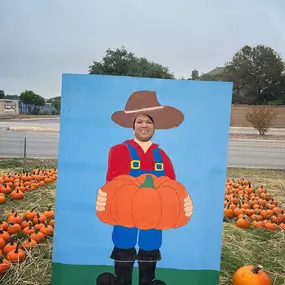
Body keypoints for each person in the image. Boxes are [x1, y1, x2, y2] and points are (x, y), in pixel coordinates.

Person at [96, 90, 193, 285]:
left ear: (155, 126)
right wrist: (103, 197)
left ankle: (147, 281)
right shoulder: (119, 151)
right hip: (125, 210)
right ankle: (121, 280)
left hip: (154, 213)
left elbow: (172, 187)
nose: (144, 125)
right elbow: (112, 184)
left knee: (151, 243)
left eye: (148, 121)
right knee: (124, 240)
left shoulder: (162, 155)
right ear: (132, 125)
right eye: (139, 121)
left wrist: (183, 202)